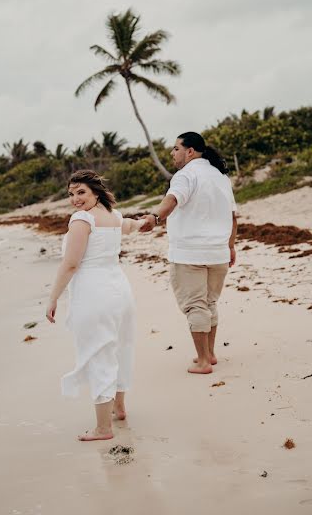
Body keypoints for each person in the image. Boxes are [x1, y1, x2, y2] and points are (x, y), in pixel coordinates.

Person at [46, 169, 144, 441]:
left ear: (96, 192)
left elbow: (71, 264)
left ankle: (103, 428)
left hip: (95, 293)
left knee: (100, 352)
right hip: (120, 290)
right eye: (71, 194)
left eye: (81, 192)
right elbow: (133, 225)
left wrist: (53, 297)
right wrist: (148, 220)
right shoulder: (113, 216)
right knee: (121, 348)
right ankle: (119, 408)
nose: (75, 199)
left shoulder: (82, 220)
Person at [141, 132, 237, 374]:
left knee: (196, 307)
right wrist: (231, 246)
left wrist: (154, 217)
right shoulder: (220, 176)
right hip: (218, 253)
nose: (172, 153)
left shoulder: (186, 174)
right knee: (209, 304)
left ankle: (203, 361)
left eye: (176, 149)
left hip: (190, 253)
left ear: (190, 151)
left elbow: (172, 200)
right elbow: (233, 216)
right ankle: (210, 354)